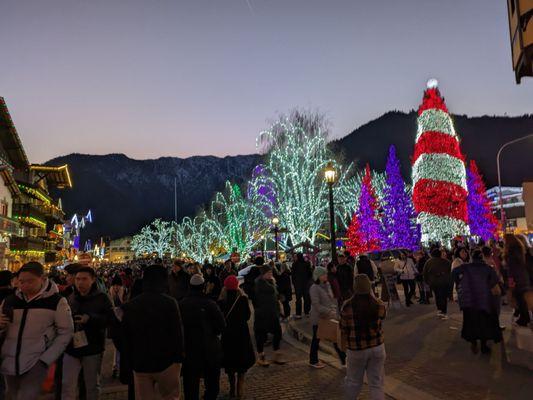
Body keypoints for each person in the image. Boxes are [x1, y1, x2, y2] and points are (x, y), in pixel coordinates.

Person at [0, 262, 73, 399]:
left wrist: (46, 359)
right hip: (9, 359)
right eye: (21, 281)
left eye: (30, 281)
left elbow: (66, 332)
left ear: (43, 279)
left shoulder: (56, 301)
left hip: (36, 360)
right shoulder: (10, 300)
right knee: (10, 395)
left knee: (27, 396)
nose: (25, 285)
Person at [121, 265, 184, 400]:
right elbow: (178, 333)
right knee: (170, 397)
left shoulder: (133, 304)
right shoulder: (170, 303)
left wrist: (130, 360)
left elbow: (125, 336)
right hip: (167, 361)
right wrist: (179, 358)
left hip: (141, 362)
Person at [62, 266, 115, 400]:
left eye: (84, 279)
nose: (80, 283)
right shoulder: (71, 297)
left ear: (93, 280)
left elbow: (111, 319)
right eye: (78, 279)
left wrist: (90, 319)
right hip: (71, 348)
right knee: (67, 383)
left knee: (91, 384)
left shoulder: (102, 297)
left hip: (92, 347)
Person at [340, 274, 386, 400]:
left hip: (356, 348)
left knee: (353, 382)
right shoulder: (378, 304)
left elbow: (343, 329)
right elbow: (382, 318)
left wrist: (343, 347)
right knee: (376, 383)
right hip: (377, 346)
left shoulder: (347, 306)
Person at [180, 274, 226, 400]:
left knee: (190, 382)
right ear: (203, 286)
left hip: (190, 348)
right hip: (209, 347)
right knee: (211, 381)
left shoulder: (182, 304)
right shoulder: (210, 303)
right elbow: (222, 325)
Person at [452, 250, 502, 354]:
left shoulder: (465, 267)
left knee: (471, 322)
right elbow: (495, 283)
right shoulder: (488, 269)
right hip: (484, 300)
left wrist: (459, 283)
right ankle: (483, 346)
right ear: (482, 257)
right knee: (484, 323)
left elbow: (453, 273)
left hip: (469, 300)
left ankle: (473, 343)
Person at [218, 276, 255, 399]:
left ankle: (232, 389)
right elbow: (247, 316)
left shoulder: (222, 301)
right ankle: (240, 390)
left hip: (228, 336)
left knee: (230, 364)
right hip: (241, 335)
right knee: (241, 364)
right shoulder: (242, 299)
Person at [309, 266, 345, 369]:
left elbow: (331, 299)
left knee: (335, 338)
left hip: (329, 316)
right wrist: (329, 310)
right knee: (317, 338)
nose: (326, 276)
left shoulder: (327, 285)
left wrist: (334, 309)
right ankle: (313, 360)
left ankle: (343, 359)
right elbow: (316, 305)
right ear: (318, 276)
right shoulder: (314, 288)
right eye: (323, 274)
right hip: (319, 318)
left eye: (326, 274)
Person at [253, 264, 285, 366]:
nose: (271, 274)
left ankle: (276, 354)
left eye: (271, 272)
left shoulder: (270, 282)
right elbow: (271, 291)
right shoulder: (260, 284)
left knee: (278, 333)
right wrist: (273, 284)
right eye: (268, 273)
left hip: (272, 313)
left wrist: (279, 306)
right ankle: (261, 357)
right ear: (263, 274)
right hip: (263, 314)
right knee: (261, 336)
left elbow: (274, 296)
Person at [504, 234, 531, 327]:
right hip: (523, 278)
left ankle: (524, 318)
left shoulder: (511, 254)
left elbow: (511, 270)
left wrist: (511, 283)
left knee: (520, 299)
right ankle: (524, 317)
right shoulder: (520, 251)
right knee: (521, 299)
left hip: (517, 280)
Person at [423, 248, 452, 319]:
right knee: (443, 297)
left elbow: (425, 273)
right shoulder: (446, 262)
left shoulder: (428, 262)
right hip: (444, 282)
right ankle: (443, 311)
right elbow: (450, 273)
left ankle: (439, 310)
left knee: (437, 296)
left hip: (434, 283)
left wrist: (427, 282)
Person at [290, 253, 312, 319]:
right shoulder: (307, 263)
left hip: (298, 284)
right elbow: (310, 274)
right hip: (305, 284)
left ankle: (298, 314)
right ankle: (307, 312)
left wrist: (294, 283)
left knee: (298, 299)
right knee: (306, 298)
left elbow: (293, 275)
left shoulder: (294, 264)